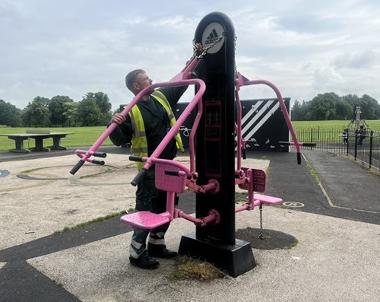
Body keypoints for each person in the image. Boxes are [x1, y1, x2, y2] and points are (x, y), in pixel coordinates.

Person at [109, 69, 187, 269]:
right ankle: (136, 254)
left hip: (169, 164)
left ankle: (156, 244)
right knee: (147, 211)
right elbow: (119, 139)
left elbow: (181, 84)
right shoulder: (131, 110)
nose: (151, 80)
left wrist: (191, 64)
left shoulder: (160, 97)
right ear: (136, 86)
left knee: (167, 208)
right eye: (146, 79)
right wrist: (115, 124)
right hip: (149, 170)